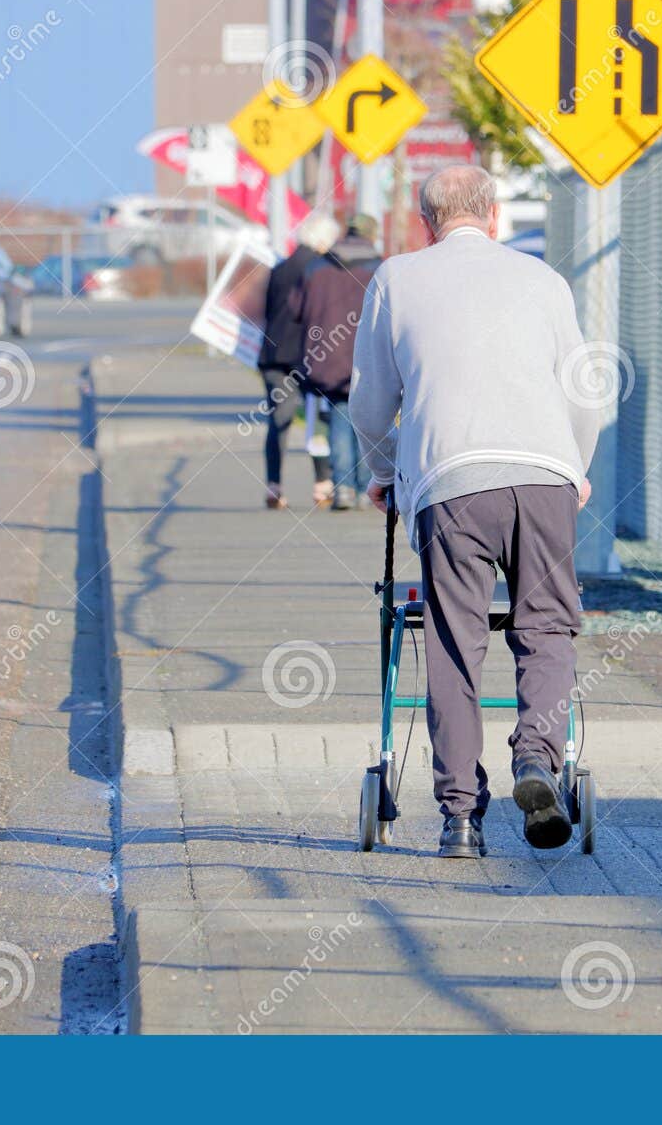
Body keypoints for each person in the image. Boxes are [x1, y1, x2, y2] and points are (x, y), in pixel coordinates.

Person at [349, 166, 600, 858]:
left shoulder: (398, 280)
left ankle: (461, 817)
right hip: (545, 476)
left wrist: (382, 473)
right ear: (491, 214)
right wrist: (573, 469)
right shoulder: (544, 282)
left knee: (456, 644)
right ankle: (537, 761)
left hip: (450, 479)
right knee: (546, 626)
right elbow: (584, 394)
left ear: (426, 221)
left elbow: (369, 405)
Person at [290, 213, 383, 510]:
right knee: (368, 421)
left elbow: (297, 310)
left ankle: (343, 488)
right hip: (369, 357)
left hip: (327, 356)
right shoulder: (382, 269)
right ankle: (364, 488)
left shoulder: (317, 268)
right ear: (371, 235)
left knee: (339, 416)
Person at [257, 213, 340, 509]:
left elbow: (268, 312)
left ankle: (274, 485)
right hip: (310, 357)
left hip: (274, 357)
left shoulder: (279, 269)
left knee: (278, 420)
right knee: (317, 419)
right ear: (322, 242)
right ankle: (322, 485)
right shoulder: (322, 271)